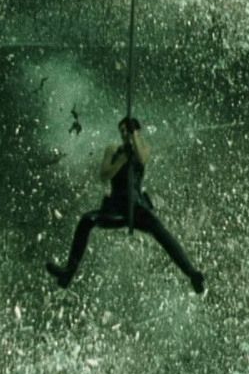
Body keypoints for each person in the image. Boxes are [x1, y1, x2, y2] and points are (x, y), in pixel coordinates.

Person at [46, 117, 207, 295]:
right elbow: (104, 175)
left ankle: (192, 274)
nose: (124, 134)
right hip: (116, 207)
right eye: (122, 131)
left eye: (126, 131)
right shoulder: (113, 150)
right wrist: (122, 159)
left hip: (138, 207)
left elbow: (143, 158)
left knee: (161, 232)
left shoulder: (142, 148)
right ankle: (68, 273)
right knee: (87, 220)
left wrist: (135, 135)